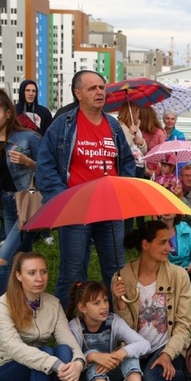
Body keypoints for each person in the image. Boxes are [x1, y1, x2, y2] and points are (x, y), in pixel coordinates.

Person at [37, 70, 136, 309]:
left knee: (116, 272)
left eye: (102, 87)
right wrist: (63, 199)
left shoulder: (113, 125)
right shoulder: (63, 125)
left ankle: (116, 320)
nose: (100, 92)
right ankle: (68, 322)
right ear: (78, 93)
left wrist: (121, 192)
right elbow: (45, 165)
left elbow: (127, 162)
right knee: (73, 273)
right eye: (92, 88)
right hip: (76, 210)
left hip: (109, 209)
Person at [0, 252, 85, 381]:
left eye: (43, 272)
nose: (39, 278)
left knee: (64, 349)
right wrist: (55, 364)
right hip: (5, 371)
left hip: (41, 369)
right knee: (45, 352)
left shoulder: (53, 303)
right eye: (32, 273)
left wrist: (78, 363)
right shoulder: (3, 305)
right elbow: (14, 347)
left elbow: (68, 339)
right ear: (18, 276)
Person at [67, 281, 165, 381]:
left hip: (110, 376)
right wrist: (92, 356)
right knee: (94, 361)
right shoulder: (74, 327)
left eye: (105, 300)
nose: (104, 306)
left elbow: (144, 344)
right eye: (96, 303)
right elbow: (70, 360)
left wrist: (120, 353)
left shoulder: (114, 321)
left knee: (131, 356)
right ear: (82, 308)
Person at [0, 90, 42, 297]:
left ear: (8, 113)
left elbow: (48, 171)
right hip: (7, 205)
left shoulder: (29, 138)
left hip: (27, 205)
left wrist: (28, 162)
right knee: (23, 258)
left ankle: (3, 307)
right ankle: (28, 301)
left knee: (3, 259)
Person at [112, 220, 191, 381]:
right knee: (113, 379)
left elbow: (184, 324)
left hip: (166, 346)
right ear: (145, 245)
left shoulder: (179, 276)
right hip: (136, 347)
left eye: (169, 242)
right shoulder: (122, 277)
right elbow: (124, 330)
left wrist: (167, 354)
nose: (169, 248)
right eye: (163, 242)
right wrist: (120, 302)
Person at [118, 101, 148, 234]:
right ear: (130, 112)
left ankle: (141, 229)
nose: (138, 113)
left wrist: (142, 143)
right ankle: (127, 231)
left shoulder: (138, 128)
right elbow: (122, 148)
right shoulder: (121, 128)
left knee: (140, 199)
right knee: (129, 200)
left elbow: (144, 150)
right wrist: (130, 133)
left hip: (140, 166)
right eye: (137, 111)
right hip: (129, 168)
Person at [139, 106, 166, 179]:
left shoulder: (138, 132)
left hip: (142, 168)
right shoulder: (159, 132)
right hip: (154, 171)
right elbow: (163, 154)